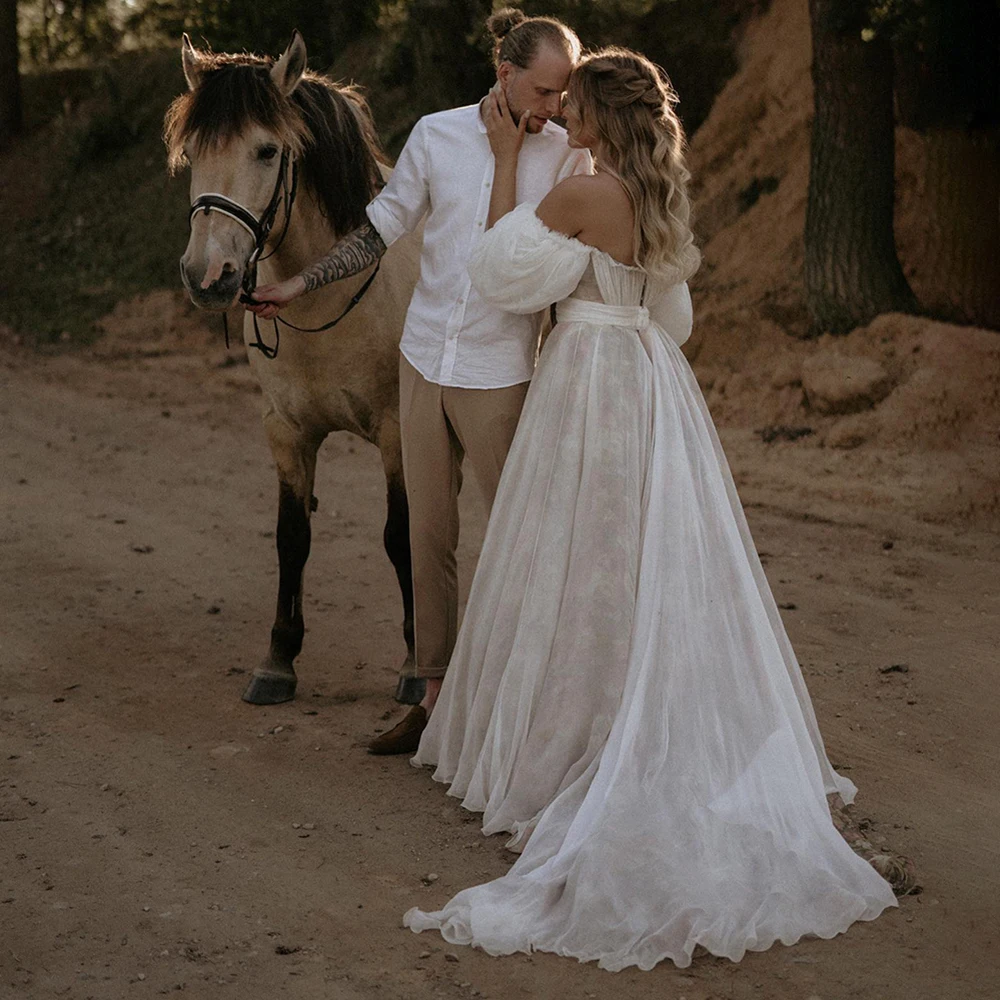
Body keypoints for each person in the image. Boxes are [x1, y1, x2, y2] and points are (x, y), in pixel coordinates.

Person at [402, 47, 898, 970]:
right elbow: (676, 321)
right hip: (650, 379)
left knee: (578, 564)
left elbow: (500, 269)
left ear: (598, 115)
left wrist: (509, 166)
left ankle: (568, 743)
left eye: (575, 102)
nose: (565, 113)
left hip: (588, 378)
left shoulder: (586, 194)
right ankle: (634, 708)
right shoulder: (658, 189)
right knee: (637, 563)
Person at [250, 9, 591, 753]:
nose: (556, 106)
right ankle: (431, 699)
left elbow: (553, 272)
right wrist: (295, 283)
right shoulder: (436, 135)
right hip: (423, 360)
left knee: (519, 537)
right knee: (428, 535)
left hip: (499, 373)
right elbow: (379, 230)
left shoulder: (568, 156)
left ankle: (532, 703)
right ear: (504, 74)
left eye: (563, 93)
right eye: (544, 90)